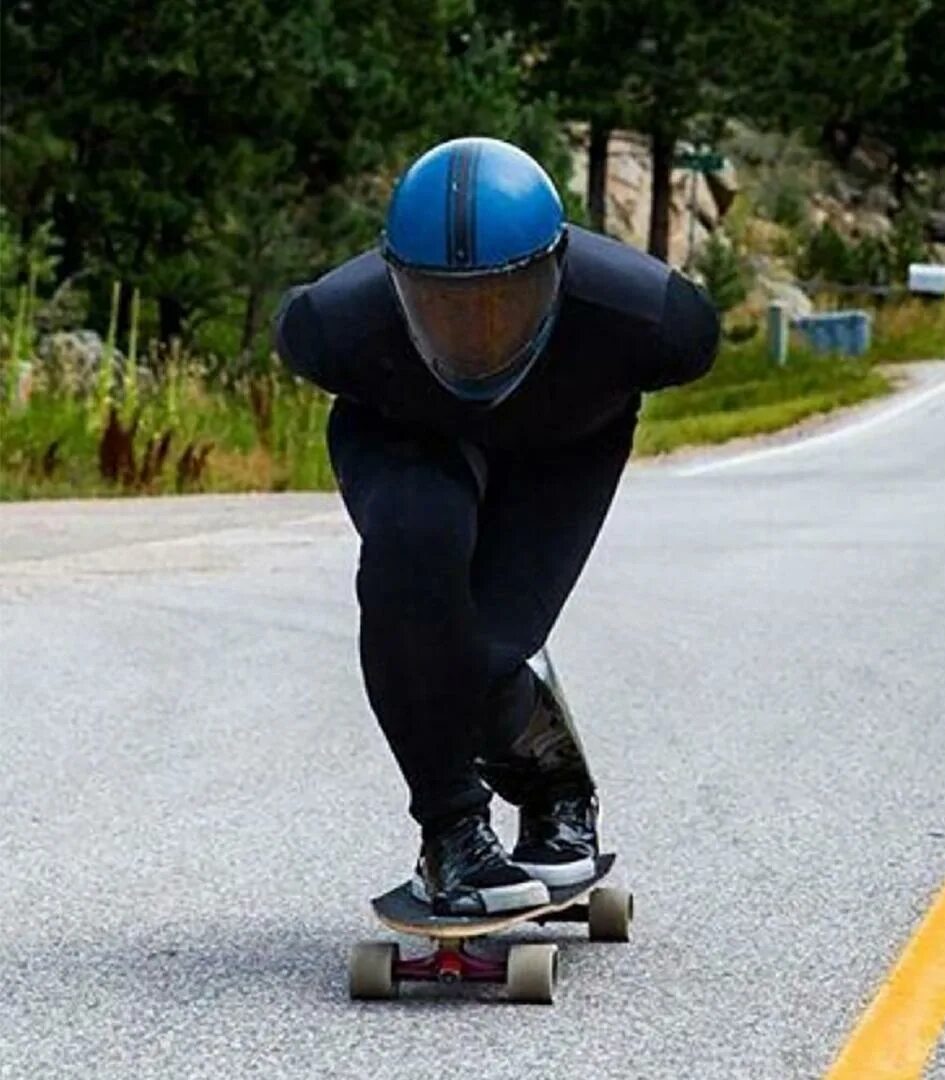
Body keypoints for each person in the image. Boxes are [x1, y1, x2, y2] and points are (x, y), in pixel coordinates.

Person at [273, 137, 718, 916]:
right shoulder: (331, 327)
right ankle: (452, 832)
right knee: (414, 561)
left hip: (564, 446)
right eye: (441, 307)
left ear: (560, 272)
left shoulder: (653, 321)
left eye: (503, 304)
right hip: (406, 431)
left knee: (481, 654)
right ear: (393, 283)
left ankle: (555, 793)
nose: (475, 335)